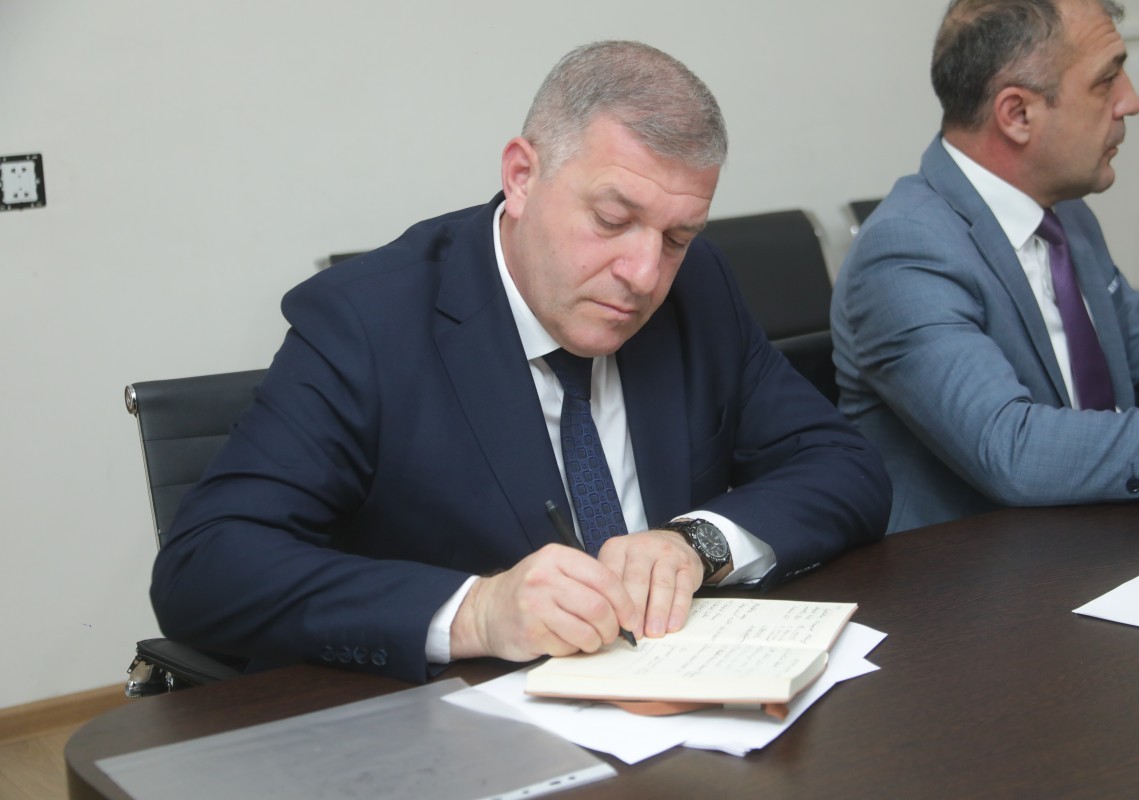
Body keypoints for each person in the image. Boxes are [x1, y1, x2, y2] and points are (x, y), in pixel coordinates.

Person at [151, 41, 891, 683]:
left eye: (676, 237)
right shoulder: (367, 323)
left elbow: (843, 466)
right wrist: (477, 611)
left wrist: (695, 543)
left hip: (673, 698)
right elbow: (205, 566)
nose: (643, 274)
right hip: (458, 729)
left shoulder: (698, 286)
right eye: (613, 220)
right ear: (522, 176)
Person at [832, 0, 1139, 534]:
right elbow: (1012, 451)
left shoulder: (1068, 214)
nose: (1130, 102)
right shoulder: (905, 251)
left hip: (1103, 532)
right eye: (1106, 82)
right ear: (1018, 115)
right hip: (980, 565)